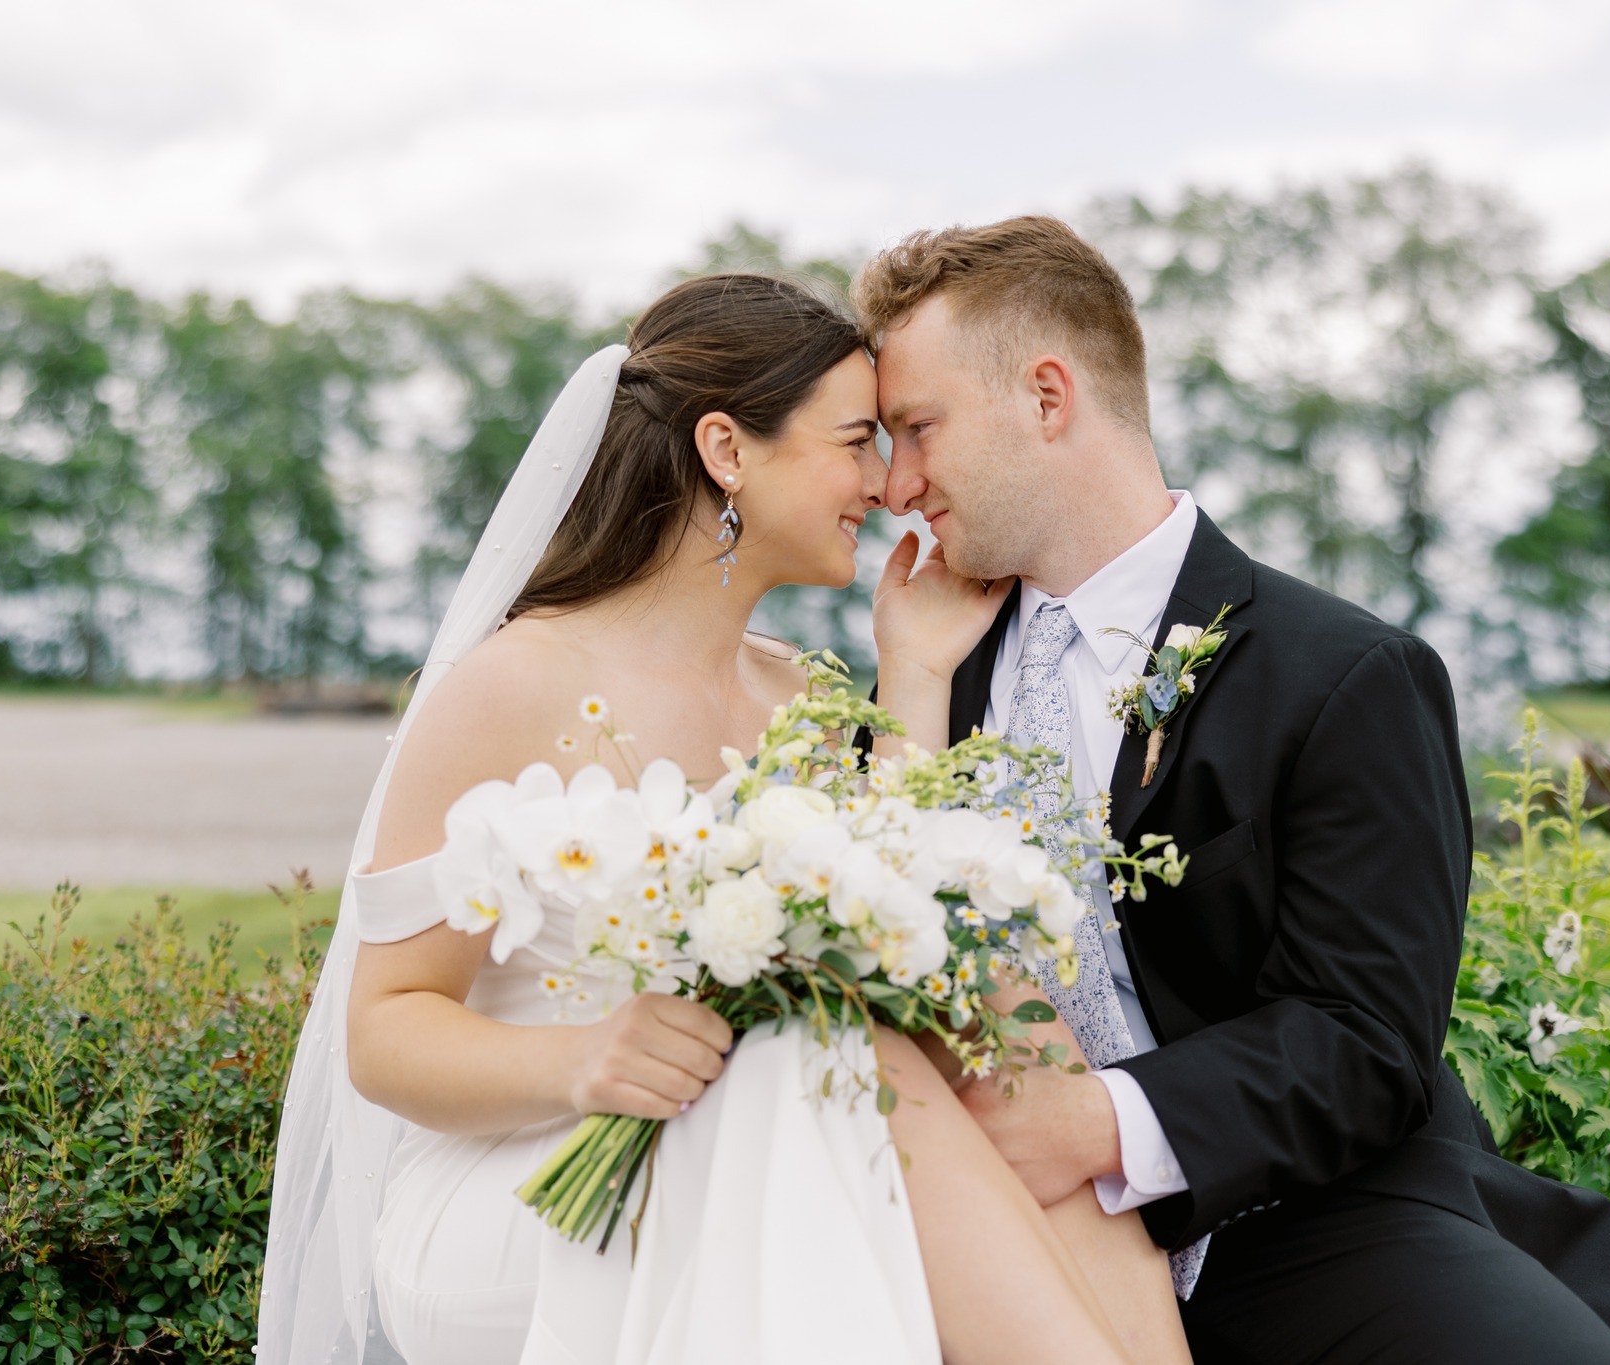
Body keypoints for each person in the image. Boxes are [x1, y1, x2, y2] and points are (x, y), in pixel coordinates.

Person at [257, 272, 1193, 1365]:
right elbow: (385, 1032)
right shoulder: (512, 685)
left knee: (1007, 1034)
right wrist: (584, 1062)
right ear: (726, 450)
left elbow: (891, 919)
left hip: (760, 1125)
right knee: (850, 1070)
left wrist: (915, 667)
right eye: (856, 441)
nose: (888, 486)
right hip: (531, 1181)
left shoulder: (801, 695)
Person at [858, 216, 1610, 1365]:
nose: (895, 485)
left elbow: (1365, 1036)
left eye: (917, 429)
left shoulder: (1342, 675)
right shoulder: (922, 674)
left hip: (1299, 1219)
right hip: (987, 1225)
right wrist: (911, 675)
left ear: (1047, 397)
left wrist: (1091, 1125)